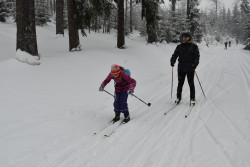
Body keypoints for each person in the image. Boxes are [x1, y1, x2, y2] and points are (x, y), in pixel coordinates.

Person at [170, 32, 200, 105]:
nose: (185, 38)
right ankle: (178, 97)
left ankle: (192, 98)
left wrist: (195, 64)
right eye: (184, 37)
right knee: (180, 83)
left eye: (186, 37)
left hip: (190, 67)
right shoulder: (179, 46)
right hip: (181, 68)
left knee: (191, 83)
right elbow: (175, 55)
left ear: (189, 38)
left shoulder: (194, 46)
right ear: (182, 38)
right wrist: (172, 60)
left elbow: (197, 57)